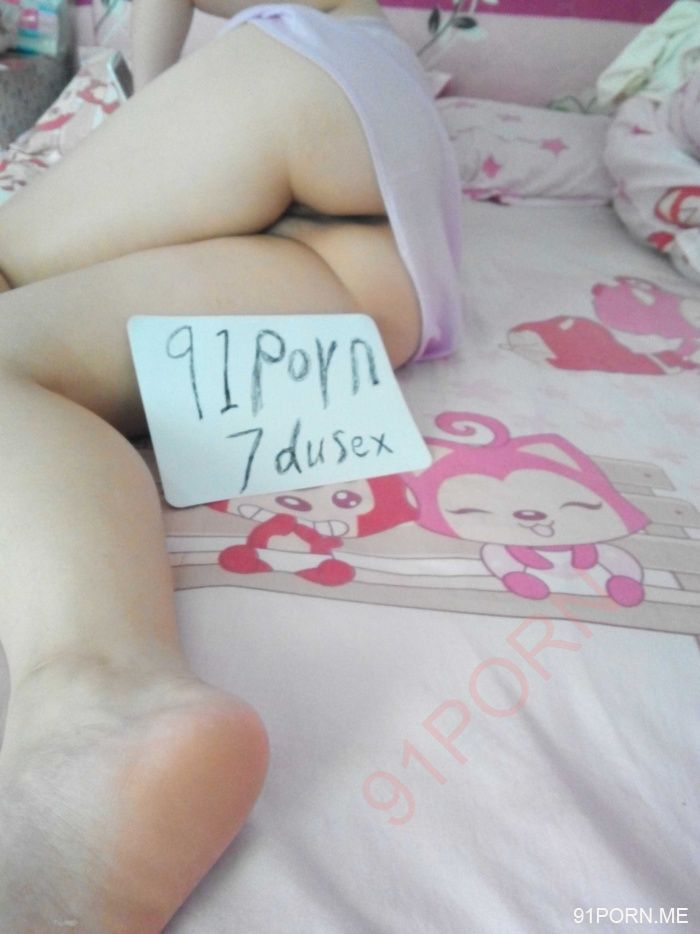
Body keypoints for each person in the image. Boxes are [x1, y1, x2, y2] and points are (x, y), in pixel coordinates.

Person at [0, 0, 462, 926]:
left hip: (302, 78)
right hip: (386, 280)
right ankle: (105, 707)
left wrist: (148, 99)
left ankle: (94, 681)